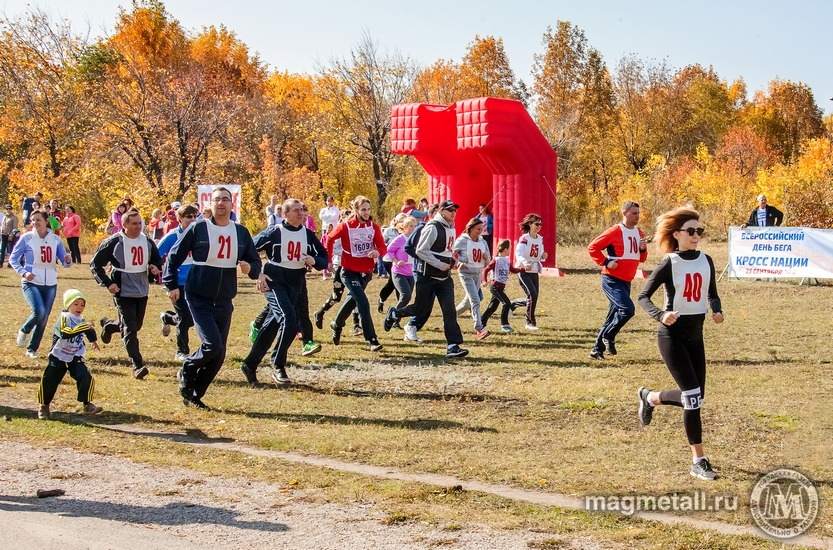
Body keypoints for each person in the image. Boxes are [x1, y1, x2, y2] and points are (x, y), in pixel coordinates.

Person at [636, 207, 724, 481]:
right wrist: (662, 314)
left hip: (696, 336)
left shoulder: (707, 260)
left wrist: (716, 309)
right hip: (671, 336)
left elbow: (712, 293)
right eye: (691, 231)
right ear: (677, 235)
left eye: (700, 231)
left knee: (696, 397)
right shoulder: (669, 263)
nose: (696, 235)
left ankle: (650, 398)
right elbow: (643, 296)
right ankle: (698, 460)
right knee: (694, 398)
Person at [164, 187, 261, 409]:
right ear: (211, 204)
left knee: (219, 353)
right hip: (198, 296)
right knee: (212, 344)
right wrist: (170, 284)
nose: (221, 204)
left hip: (225, 298)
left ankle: (194, 393)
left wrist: (251, 268)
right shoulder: (198, 228)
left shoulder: (241, 232)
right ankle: (187, 369)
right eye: (216, 200)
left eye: (225, 200)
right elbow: (174, 256)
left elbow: (255, 262)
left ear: (231, 204)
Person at [241, 199, 328, 386]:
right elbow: (249, 248)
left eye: (303, 211)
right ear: (285, 214)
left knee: (273, 325)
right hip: (274, 280)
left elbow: (324, 257)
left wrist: (315, 261)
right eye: (296, 211)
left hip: (296, 282)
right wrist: (259, 274)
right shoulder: (275, 232)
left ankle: (250, 364)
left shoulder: (307, 234)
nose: (301, 214)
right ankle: (278, 365)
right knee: (289, 321)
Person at [385, 200, 468, 358]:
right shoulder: (432, 227)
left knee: (449, 311)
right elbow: (421, 250)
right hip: (427, 276)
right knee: (421, 309)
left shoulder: (451, 227)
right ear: (441, 211)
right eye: (450, 210)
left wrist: (454, 261)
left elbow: (446, 251)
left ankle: (453, 346)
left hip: (444, 278)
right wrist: (438, 264)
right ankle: (395, 314)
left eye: (455, 210)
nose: (453, 213)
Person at [91, 208, 162, 379]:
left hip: (142, 288)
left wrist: (154, 267)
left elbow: (156, 258)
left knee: (136, 325)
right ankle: (137, 365)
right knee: (130, 328)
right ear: (124, 225)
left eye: (140, 223)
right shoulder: (115, 242)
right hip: (122, 289)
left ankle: (110, 326)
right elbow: (95, 264)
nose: (139, 227)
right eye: (134, 224)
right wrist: (108, 283)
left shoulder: (147, 241)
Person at [587, 201, 649, 360]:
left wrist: (643, 249)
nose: (637, 216)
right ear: (624, 213)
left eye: (638, 213)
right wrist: (606, 262)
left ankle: (596, 350)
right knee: (628, 310)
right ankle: (608, 335)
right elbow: (593, 247)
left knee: (612, 316)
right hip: (612, 280)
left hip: (626, 281)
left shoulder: (639, 232)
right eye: (634, 213)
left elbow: (641, 259)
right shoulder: (615, 231)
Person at [325, 196, 386, 351]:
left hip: (365, 272)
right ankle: (372, 340)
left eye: (368, 209)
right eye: (363, 209)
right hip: (348, 271)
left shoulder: (373, 227)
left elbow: (383, 247)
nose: (366, 213)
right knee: (363, 302)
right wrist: (329, 260)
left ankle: (336, 325)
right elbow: (329, 239)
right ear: (356, 210)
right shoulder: (346, 226)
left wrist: (377, 252)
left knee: (351, 301)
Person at [12, 210, 72, 358]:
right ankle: (24, 330)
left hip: (50, 282)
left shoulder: (55, 240)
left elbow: (64, 261)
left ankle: (32, 349)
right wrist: (24, 272)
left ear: (47, 221)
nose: (35, 223)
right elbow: (14, 259)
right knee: (39, 312)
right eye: (33, 220)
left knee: (44, 318)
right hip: (31, 281)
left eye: (38, 220)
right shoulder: (27, 238)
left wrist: (68, 260)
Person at [36, 289, 103, 420]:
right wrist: (84, 326)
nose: (79, 307)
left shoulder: (79, 319)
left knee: (85, 377)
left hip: (74, 356)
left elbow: (88, 329)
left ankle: (88, 405)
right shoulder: (63, 318)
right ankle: (44, 406)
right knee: (49, 381)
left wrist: (93, 339)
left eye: (82, 305)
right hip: (59, 356)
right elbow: (65, 333)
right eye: (76, 304)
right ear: (68, 305)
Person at [157, 204, 199, 361]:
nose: (193, 220)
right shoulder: (172, 236)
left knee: (193, 318)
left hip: (195, 282)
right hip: (177, 283)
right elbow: (156, 252)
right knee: (184, 316)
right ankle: (182, 351)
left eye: (195, 216)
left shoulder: (198, 235)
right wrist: (156, 268)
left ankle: (168, 318)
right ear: (180, 219)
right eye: (189, 217)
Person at [314, 212, 361, 336]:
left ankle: (356, 325)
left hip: (355, 267)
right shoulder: (342, 230)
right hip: (340, 266)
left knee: (356, 295)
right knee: (336, 297)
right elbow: (331, 247)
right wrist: (347, 251)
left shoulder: (362, 231)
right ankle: (320, 312)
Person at [452, 217, 491, 340]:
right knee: (475, 300)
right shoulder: (462, 240)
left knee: (467, 301)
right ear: (470, 228)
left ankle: (449, 318)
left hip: (478, 273)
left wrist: (485, 258)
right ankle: (479, 329)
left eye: (482, 229)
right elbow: (450, 253)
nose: (480, 231)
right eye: (477, 229)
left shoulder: (483, 242)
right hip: (466, 274)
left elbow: (489, 260)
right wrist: (458, 263)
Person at [481, 239, 525, 332]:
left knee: (492, 307)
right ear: (505, 249)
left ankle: (481, 323)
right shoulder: (496, 260)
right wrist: (484, 280)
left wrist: (523, 269)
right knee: (507, 303)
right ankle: (505, 325)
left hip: (501, 287)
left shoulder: (506, 260)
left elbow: (513, 270)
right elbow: (485, 270)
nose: (511, 250)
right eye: (510, 248)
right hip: (495, 287)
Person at [382, 216, 417, 332]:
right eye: (411, 226)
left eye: (414, 226)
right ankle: (394, 318)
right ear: (404, 227)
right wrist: (397, 261)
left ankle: (395, 317)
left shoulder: (415, 239)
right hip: (398, 272)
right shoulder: (400, 239)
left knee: (408, 297)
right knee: (405, 295)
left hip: (410, 272)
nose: (413, 228)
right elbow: (389, 250)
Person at [377, 213, 405, 313]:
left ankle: (382, 299)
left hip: (401, 261)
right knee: (397, 282)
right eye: (401, 221)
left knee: (393, 282)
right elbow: (381, 243)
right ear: (396, 221)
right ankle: (399, 307)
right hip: (389, 260)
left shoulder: (405, 232)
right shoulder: (389, 231)